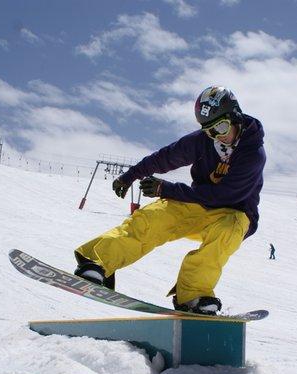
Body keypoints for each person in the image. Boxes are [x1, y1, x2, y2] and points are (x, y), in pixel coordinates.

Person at [73, 86, 266, 315]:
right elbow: (165, 157)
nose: (218, 136)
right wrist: (130, 176)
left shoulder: (253, 154)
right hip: (197, 204)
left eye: (221, 127)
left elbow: (225, 195)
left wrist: (167, 189)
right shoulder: (202, 142)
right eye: (210, 131)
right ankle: (97, 262)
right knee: (153, 217)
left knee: (224, 234)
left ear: (236, 117)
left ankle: (193, 294)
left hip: (234, 212)